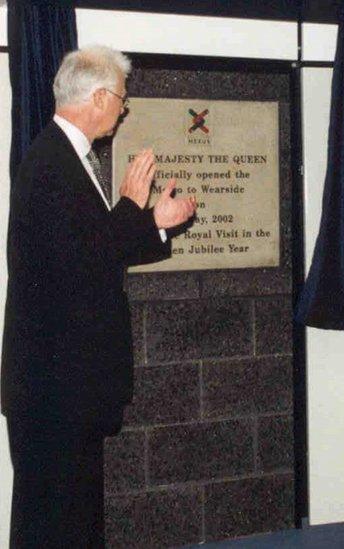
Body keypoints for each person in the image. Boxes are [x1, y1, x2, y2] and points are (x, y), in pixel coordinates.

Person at [1, 45, 197, 548]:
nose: (124, 108)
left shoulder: (62, 156)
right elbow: (80, 267)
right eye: (123, 99)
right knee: (53, 525)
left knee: (71, 523)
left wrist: (152, 221)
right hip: (54, 390)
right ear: (99, 97)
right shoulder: (51, 164)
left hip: (64, 386)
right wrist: (133, 207)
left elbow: (89, 250)